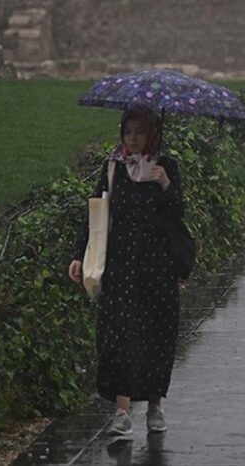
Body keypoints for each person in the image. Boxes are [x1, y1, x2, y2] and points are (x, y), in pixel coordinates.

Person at [67, 107, 184, 438]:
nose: (132, 139)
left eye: (140, 132)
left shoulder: (167, 166)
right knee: (119, 334)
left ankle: (155, 407)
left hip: (157, 265)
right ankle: (122, 411)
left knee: (157, 333)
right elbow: (97, 213)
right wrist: (80, 255)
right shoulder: (114, 167)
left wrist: (165, 185)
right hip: (120, 266)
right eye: (128, 131)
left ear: (153, 134)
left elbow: (178, 213)